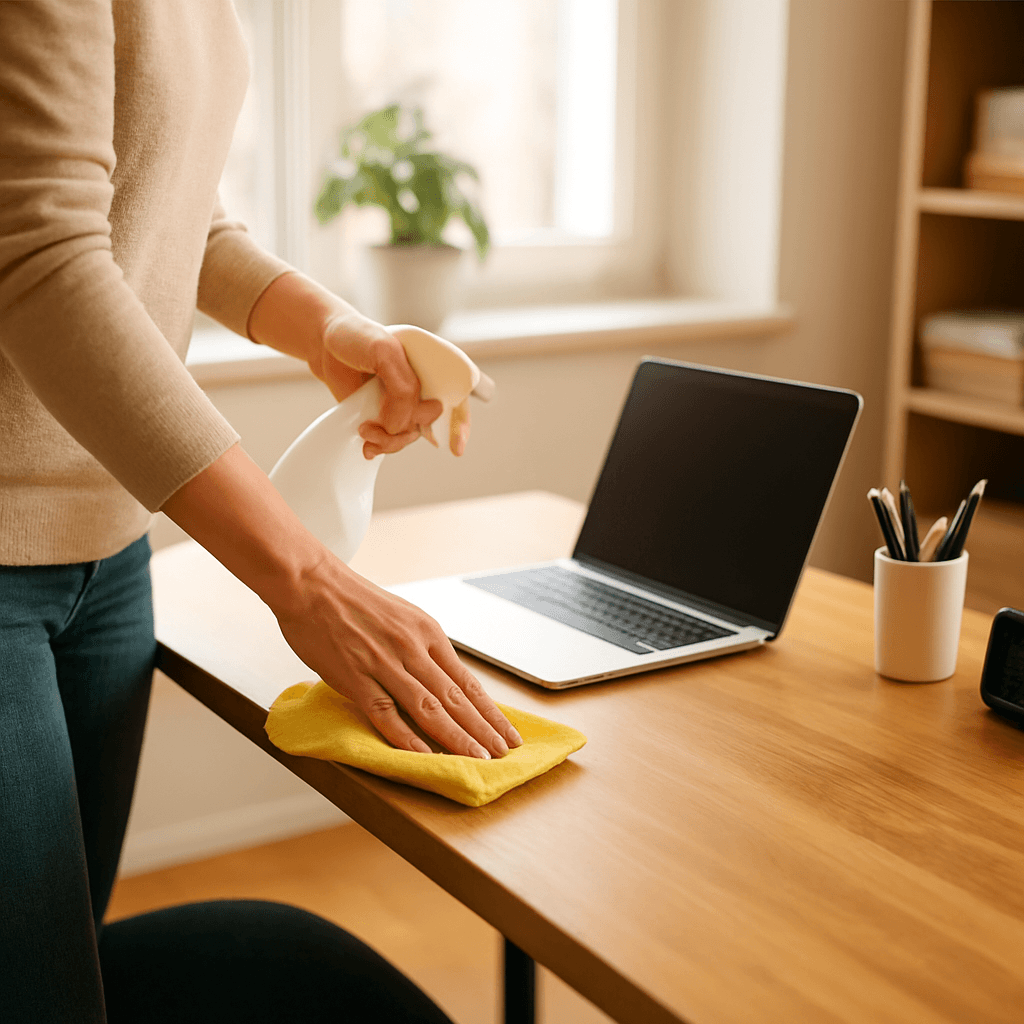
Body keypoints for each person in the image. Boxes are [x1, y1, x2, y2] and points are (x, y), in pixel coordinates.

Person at [0, 2, 520, 1021]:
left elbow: (173, 213)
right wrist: (307, 577)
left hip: (110, 550)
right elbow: (44, 255)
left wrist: (328, 328)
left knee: (60, 969)